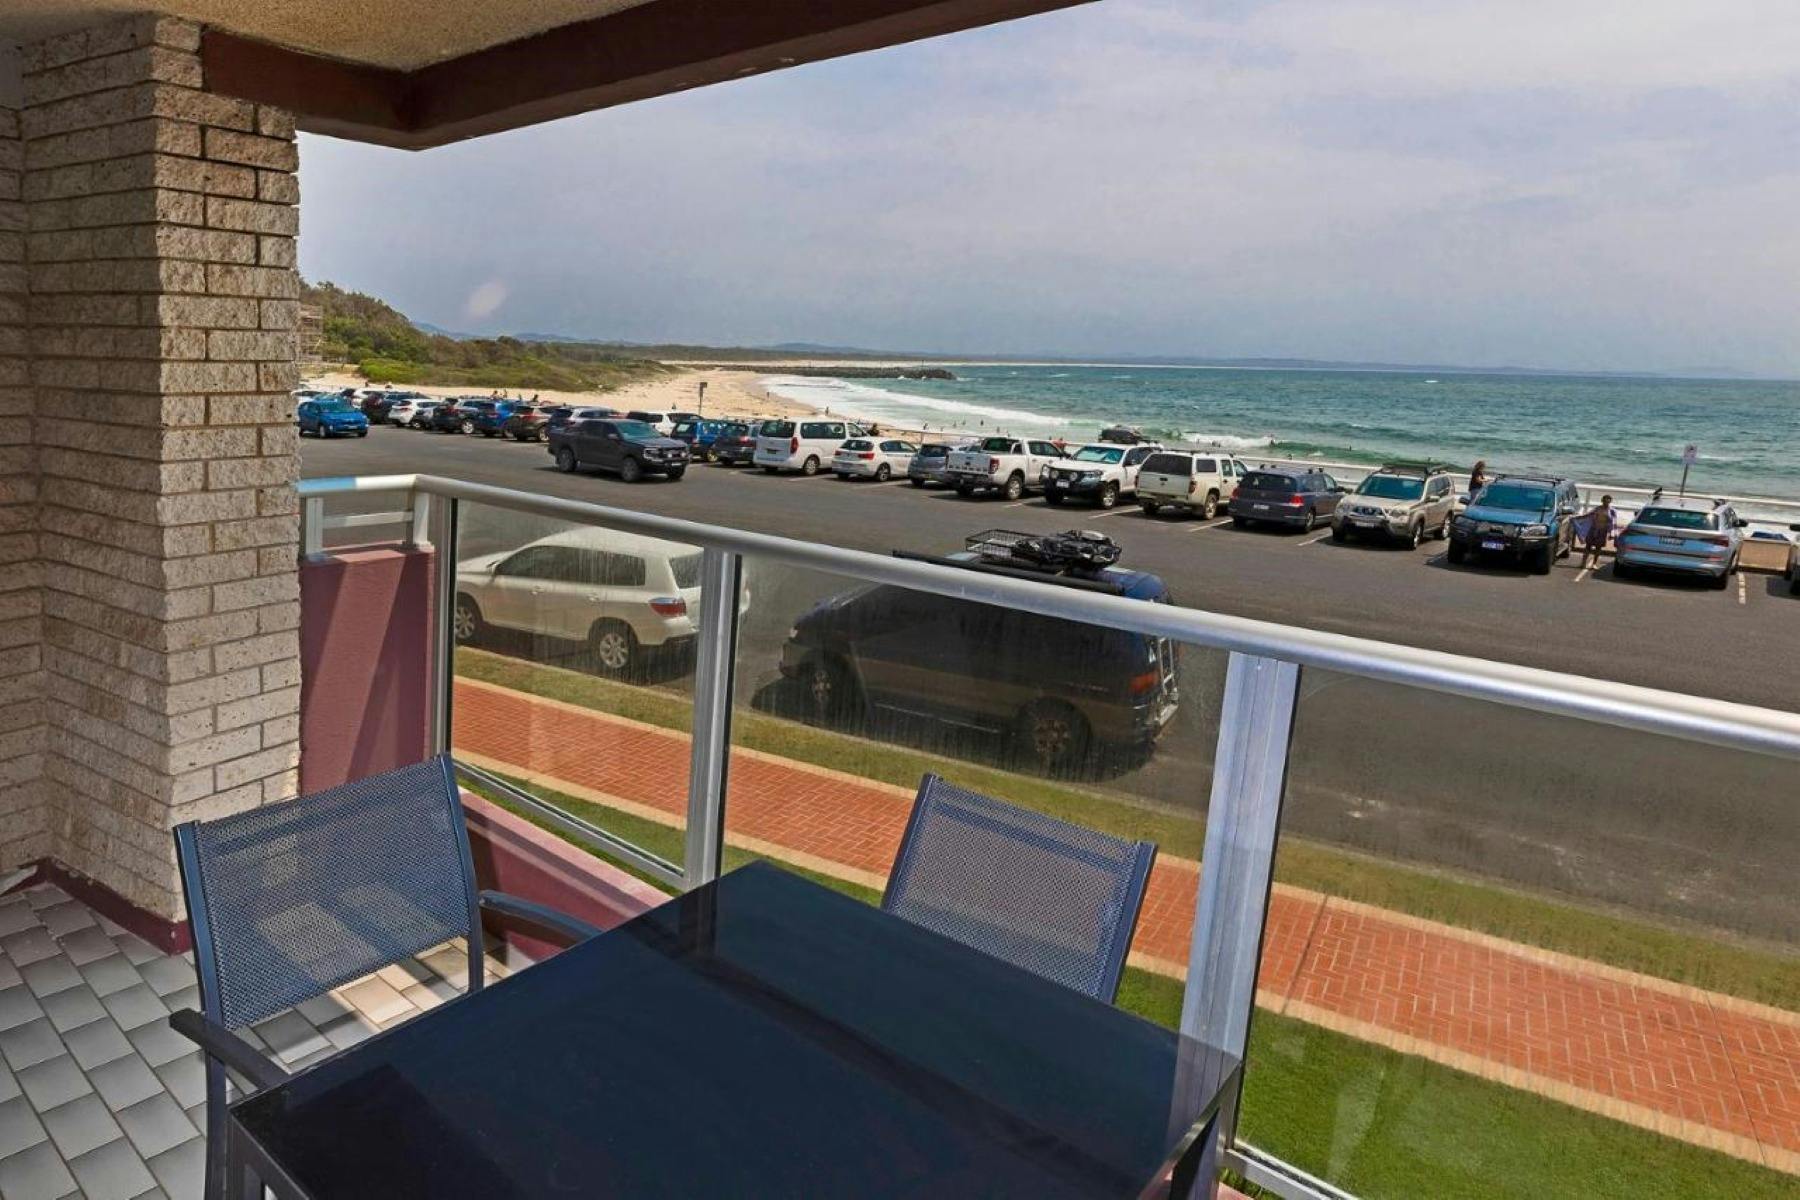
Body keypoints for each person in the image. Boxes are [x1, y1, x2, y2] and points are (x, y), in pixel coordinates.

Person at [1580, 494, 1616, 569]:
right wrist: (1578, 517)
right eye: (1605, 501)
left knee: (1598, 548)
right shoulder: (1597, 508)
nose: (1606, 503)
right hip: (1593, 530)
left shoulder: (1612, 511)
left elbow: (1613, 523)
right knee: (1588, 546)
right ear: (1602, 501)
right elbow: (1588, 515)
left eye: (1608, 502)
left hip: (1602, 531)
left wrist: (1612, 533)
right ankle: (1583, 563)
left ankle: (1594, 564)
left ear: (1610, 502)